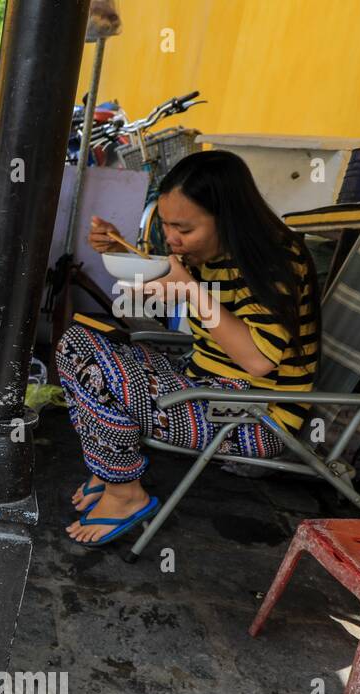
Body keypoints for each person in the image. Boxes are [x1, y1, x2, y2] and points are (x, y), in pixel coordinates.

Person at [55, 150, 320, 547]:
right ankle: (109, 468)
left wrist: (192, 290)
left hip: (254, 415)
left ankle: (125, 492)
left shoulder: (275, 261)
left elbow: (258, 360)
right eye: (166, 225)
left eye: (184, 228)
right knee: (76, 343)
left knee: (96, 368)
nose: (172, 239)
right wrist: (115, 251)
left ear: (228, 218)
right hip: (202, 383)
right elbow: (148, 294)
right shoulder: (205, 253)